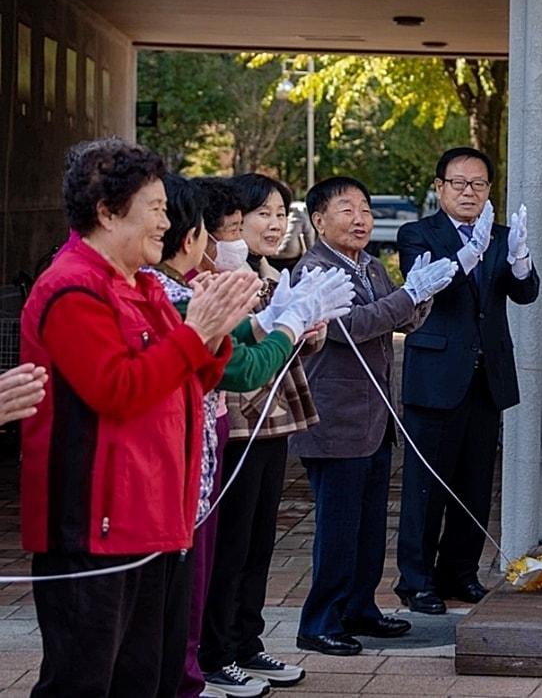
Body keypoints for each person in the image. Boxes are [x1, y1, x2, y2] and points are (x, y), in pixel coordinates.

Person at [20, 139, 260, 697]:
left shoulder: (144, 285)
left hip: (153, 517)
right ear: (106, 213)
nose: (166, 221)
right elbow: (118, 390)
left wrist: (216, 326)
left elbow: (196, 376)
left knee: (145, 678)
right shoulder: (70, 287)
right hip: (93, 527)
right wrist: (196, 331)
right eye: (154, 207)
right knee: (83, 682)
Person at [291, 176, 457, 657]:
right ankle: (319, 620)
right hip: (335, 419)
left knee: (368, 527)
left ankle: (359, 608)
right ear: (319, 220)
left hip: (375, 420)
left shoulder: (369, 267)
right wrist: (407, 297)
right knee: (338, 529)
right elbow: (353, 327)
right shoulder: (314, 270)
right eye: (347, 210)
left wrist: (420, 294)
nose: (361, 218)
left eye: (365, 209)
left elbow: (401, 320)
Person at [394, 146, 539, 613]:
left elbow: (525, 293)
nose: (468, 192)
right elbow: (435, 289)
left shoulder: (499, 234)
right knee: (426, 485)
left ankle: (460, 572)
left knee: (475, 485)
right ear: (439, 188)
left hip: (486, 376)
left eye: (478, 184)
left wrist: (519, 259)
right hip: (436, 375)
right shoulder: (417, 233)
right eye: (458, 183)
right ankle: (416, 581)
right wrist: (470, 253)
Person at [200, 174, 326, 690]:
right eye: (261, 215)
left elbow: (284, 347)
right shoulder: (222, 279)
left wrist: (308, 330)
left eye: (281, 213)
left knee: (257, 541)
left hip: (272, 423)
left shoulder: (273, 275)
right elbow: (243, 357)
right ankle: (215, 651)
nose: (275, 224)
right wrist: (282, 325)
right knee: (229, 543)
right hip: (235, 425)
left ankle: (246, 644)